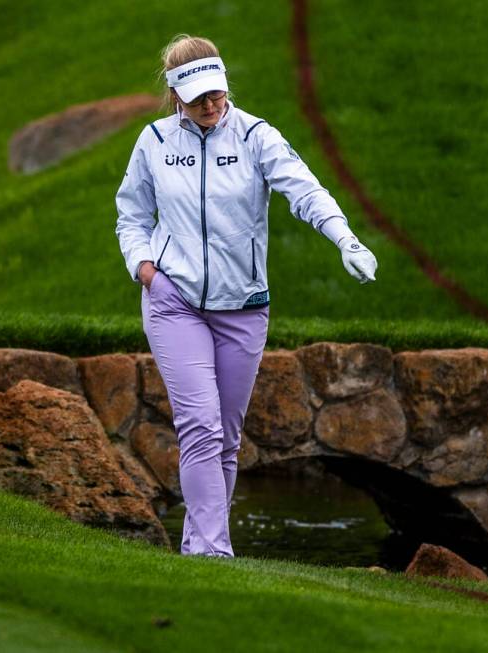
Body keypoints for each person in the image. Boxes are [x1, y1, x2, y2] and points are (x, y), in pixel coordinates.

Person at [115, 34, 377, 557]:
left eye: (217, 93)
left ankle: (197, 547)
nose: (212, 105)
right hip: (174, 301)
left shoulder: (257, 136)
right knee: (200, 427)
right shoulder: (155, 141)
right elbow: (132, 213)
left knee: (226, 439)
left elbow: (304, 190)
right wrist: (145, 268)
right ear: (175, 97)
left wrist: (343, 236)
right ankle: (214, 551)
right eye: (198, 99)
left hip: (243, 308)